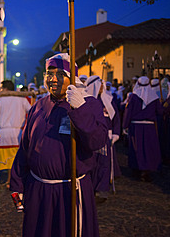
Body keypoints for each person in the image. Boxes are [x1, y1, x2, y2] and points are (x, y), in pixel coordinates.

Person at [10, 53, 108, 237]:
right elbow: (25, 147)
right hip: (38, 190)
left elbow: (97, 141)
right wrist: (17, 183)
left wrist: (80, 110)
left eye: (60, 74)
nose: (53, 79)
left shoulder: (89, 104)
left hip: (69, 191)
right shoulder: (38, 106)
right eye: (49, 73)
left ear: (73, 78)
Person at [85, 76, 121, 202]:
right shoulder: (87, 101)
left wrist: (115, 134)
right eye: (98, 85)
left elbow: (115, 118)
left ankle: (102, 189)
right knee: (91, 163)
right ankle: (90, 189)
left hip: (106, 138)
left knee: (104, 163)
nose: (101, 87)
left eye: (102, 85)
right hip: (92, 137)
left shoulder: (108, 100)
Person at [123, 76, 163, 182]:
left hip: (136, 127)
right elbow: (160, 112)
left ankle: (137, 169)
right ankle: (146, 171)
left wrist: (125, 125)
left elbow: (128, 112)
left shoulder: (133, 97)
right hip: (149, 127)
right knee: (148, 148)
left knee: (137, 148)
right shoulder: (154, 97)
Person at [0, 80, 31, 188]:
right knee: (13, 158)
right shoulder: (21, 99)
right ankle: (10, 181)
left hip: (2, 132)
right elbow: (31, 110)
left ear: (5, 88)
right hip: (17, 133)